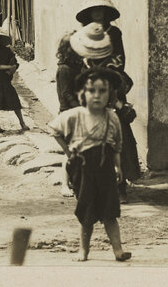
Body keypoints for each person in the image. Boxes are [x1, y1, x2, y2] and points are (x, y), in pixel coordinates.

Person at [56, 0, 141, 195]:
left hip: (110, 82)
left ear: (106, 12)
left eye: (100, 10)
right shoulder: (83, 34)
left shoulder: (114, 33)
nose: (97, 14)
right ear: (88, 13)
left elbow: (119, 58)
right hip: (91, 85)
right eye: (93, 11)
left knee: (117, 129)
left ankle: (121, 183)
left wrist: (106, 71)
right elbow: (82, 55)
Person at [48, 67, 132, 263]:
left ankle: (118, 250)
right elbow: (53, 129)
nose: (97, 95)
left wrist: (118, 167)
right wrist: (69, 152)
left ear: (110, 94)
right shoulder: (75, 115)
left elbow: (117, 145)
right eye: (91, 90)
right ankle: (83, 250)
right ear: (82, 94)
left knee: (110, 212)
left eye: (102, 91)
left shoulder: (111, 117)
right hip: (83, 169)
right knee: (86, 213)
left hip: (105, 169)